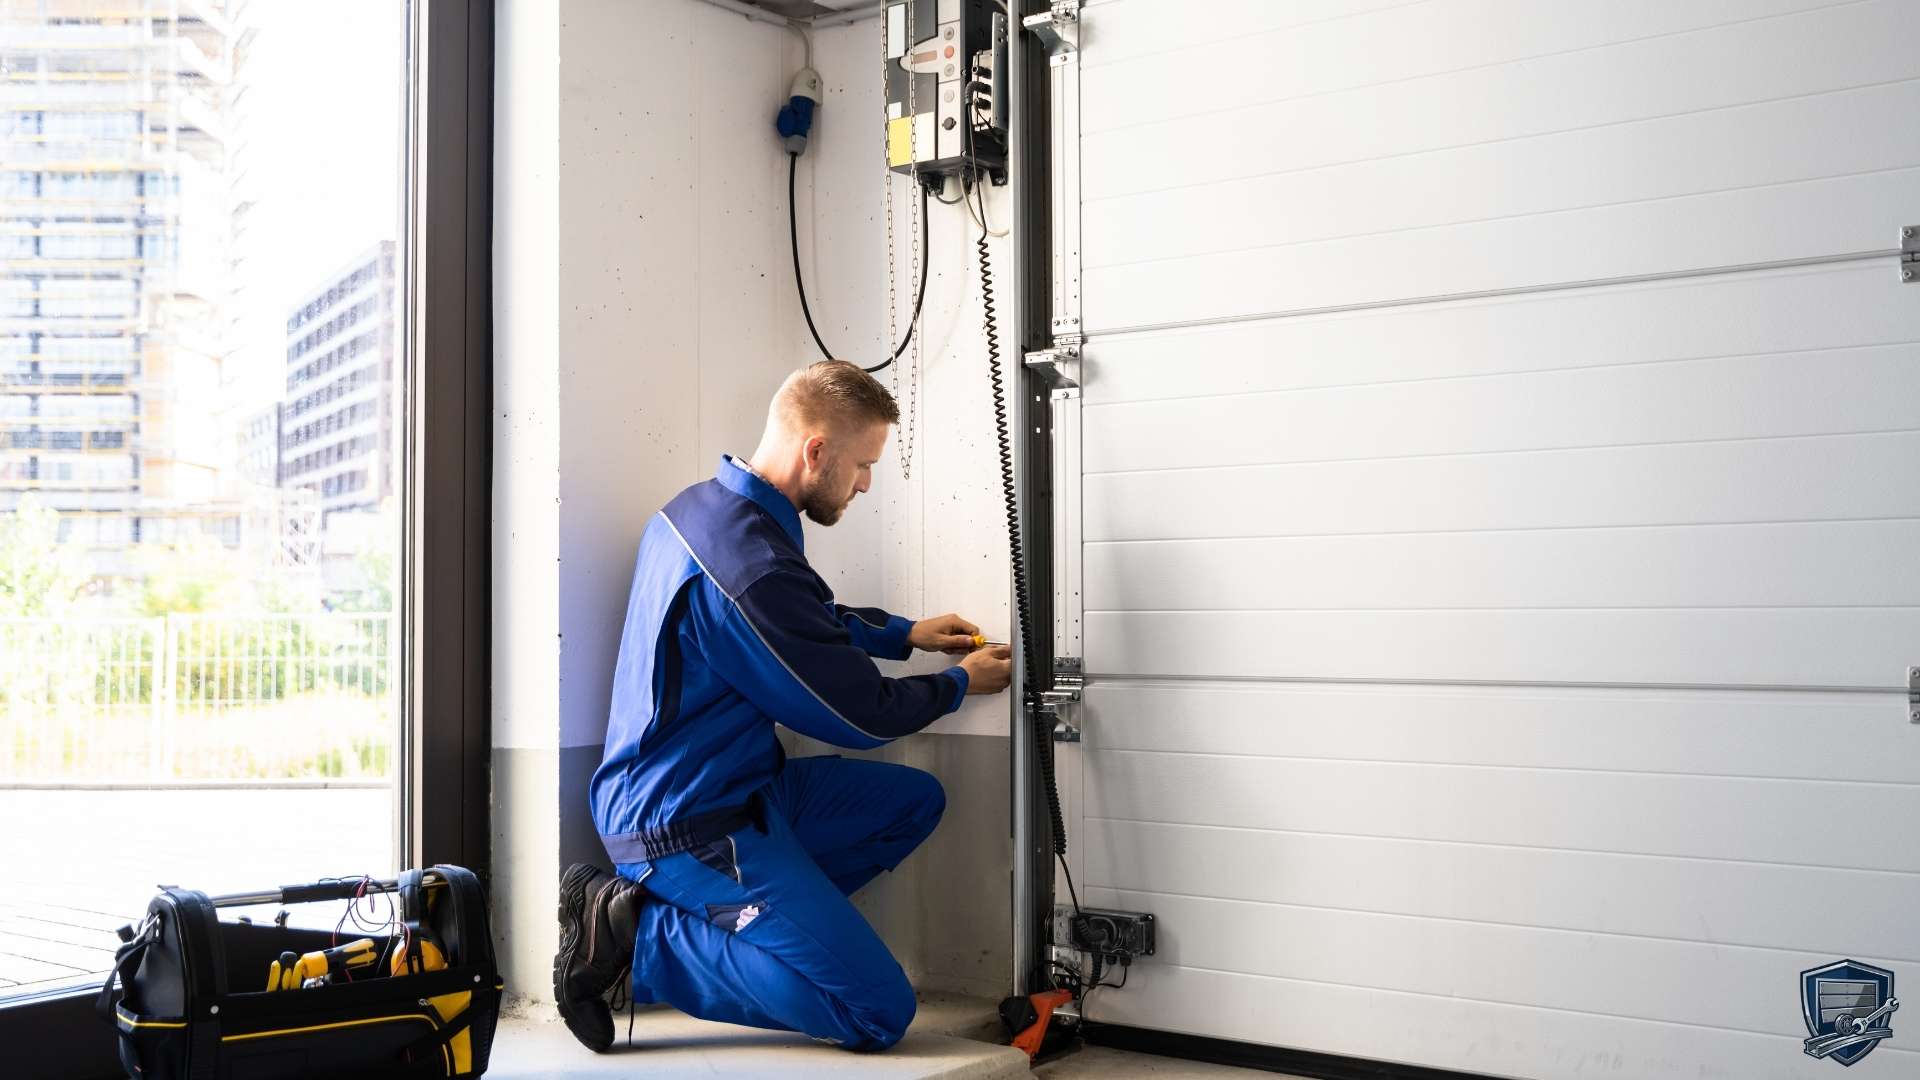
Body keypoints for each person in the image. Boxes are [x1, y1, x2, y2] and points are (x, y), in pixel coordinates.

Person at [555, 360, 1014, 1053]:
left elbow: (802, 619)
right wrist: (956, 684)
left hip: (743, 790)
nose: (865, 483)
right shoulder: (748, 568)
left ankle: (763, 931)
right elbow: (860, 716)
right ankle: (639, 939)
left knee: (913, 803)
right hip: (684, 825)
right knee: (877, 1011)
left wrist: (904, 634)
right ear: (817, 451)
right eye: (863, 465)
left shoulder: (704, 511)